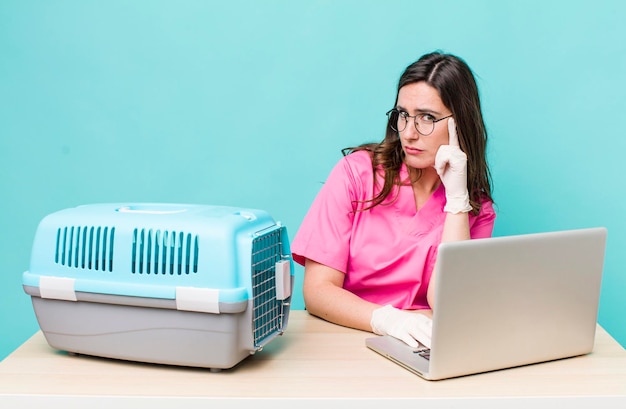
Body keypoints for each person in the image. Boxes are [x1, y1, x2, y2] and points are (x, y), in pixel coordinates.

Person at [290, 51, 496, 349]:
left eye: (427, 118)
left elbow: (452, 306)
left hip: (421, 346)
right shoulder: (356, 174)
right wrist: (391, 321)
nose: (409, 133)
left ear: (459, 123)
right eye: (403, 115)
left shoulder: (473, 208)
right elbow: (318, 291)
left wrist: (456, 200)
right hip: (345, 340)